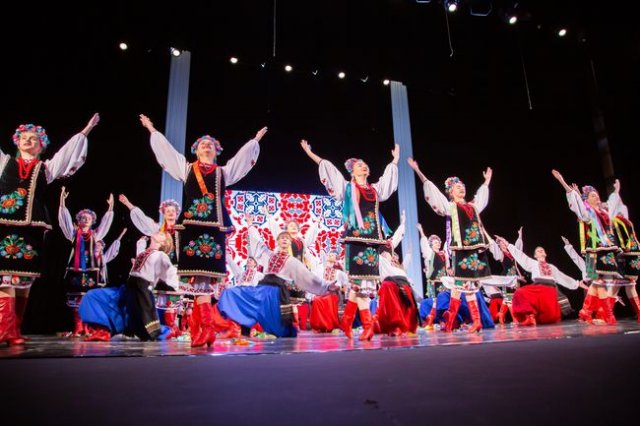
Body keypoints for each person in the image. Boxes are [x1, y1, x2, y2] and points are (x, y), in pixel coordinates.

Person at [140, 114, 267, 347]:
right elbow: (167, 152)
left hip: (214, 228)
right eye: (202, 145)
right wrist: (152, 130)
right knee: (197, 280)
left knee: (205, 280)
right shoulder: (186, 168)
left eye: (210, 145)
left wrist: (254, 142)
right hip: (191, 229)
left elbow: (241, 161)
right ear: (196, 151)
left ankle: (205, 330)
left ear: (216, 151)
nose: (206, 146)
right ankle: (204, 330)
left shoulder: (223, 173)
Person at [0, 113, 100, 346]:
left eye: (33, 138)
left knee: (24, 279)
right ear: (17, 142)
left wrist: (85, 130)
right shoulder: (4, 163)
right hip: (4, 225)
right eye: (24, 137)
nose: (28, 140)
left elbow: (67, 153)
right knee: (4, 277)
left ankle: (15, 330)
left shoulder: (46, 168)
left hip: (32, 228)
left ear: (41, 145)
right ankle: (4, 329)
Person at [301, 139, 399, 341]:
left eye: (364, 164)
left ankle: (346, 321)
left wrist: (395, 160)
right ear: (352, 172)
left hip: (371, 240)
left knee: (361, 284)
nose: (363, 166)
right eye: (359, 165)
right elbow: (328, 168)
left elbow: (388, 182)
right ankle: (368, 325)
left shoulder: (375, 190)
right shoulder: (347, 188)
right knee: (361, 284)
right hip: (355, 240)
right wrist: (310, 153)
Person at [408, 158, 514, 333]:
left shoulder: (473, 206)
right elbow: (433, 193)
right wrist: (419, 172)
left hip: (475, 250)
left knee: (467, 286)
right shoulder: (450, 207)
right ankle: (461, 321)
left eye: (462, 186)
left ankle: (465, 321)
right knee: (462, 286)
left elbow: (482, 197)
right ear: (451, 191)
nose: (461, 188)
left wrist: (487, 181)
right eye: (458, 187)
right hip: (461, 250)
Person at [216, 215, 339, 338]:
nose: (284, 239)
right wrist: (250, 225)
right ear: (277, 241)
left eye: (287, 238)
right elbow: (257, 241)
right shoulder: (268, 255)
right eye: (282, 238)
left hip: (276, 293)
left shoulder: (292, 261)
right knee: (231, 293)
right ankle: (238, 328)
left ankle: (260, 328)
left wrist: (326, 286)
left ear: (290, 242)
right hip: (261, 289)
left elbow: (308, 277)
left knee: (278, 329)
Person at [552, 170, 624, 324]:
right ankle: (606, 314)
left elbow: (613, 205)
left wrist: (616, 192)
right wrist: (562, 181)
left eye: (596, 194)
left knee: (611, 281)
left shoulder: (604, 211)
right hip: (593, 250)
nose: (596, 196)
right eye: (592, 195)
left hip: (607, 249)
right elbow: (576, 201)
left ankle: (587, 311)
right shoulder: (587, 213)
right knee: (598, 281)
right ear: (587, 200)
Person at [119, 194, 183, 338]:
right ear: (163, 213)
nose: (170, 213)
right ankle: (148, 328)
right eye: (167, 211)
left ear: (177, 213)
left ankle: (171, 328)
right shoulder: (157, 230)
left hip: (174, 267)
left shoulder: (181, 230)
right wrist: (129, 204)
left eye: (173, 211)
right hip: (155, 269)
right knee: (150, 298)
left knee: (173, 298)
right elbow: (143, 220)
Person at [58, 187, 114, 336]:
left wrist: (110, 208)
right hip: (76, 269)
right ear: (79, 220)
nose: (86, 220)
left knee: (88, 297)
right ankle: (78, 327)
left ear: (92, 221)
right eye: (83, 218)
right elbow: (64, 220)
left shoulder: (96, 235)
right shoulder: (73, 233)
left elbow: (106, 224)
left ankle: (88, 327)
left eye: (89, 218)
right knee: (76, 296)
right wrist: (62, 202)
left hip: (91, 270)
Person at [495, 236, 580, 326]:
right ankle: (529, 317)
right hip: (537, 289)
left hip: (549, 290)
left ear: (545, 254)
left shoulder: (552, 267)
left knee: (550, 318)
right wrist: (507, 243)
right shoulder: (533, 263)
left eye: (542, 250)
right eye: (538, 250)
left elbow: (563, 278)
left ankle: (534, 316)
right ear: (535, 256)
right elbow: (521, 256)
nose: (540, 251)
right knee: (519, 293)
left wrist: (577, 284)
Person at [417, 224, 449, 329]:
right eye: (435, 242)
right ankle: (432, 321)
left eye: (438, 242)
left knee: (443, 302)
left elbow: (447, 267)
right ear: (431, 245)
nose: (438, 244)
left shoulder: (444, 254)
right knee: (434, 301)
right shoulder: (430, 253)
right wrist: (421, 231)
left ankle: (443, 321)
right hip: (434, 283)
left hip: (444, 283)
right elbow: (424, 245)